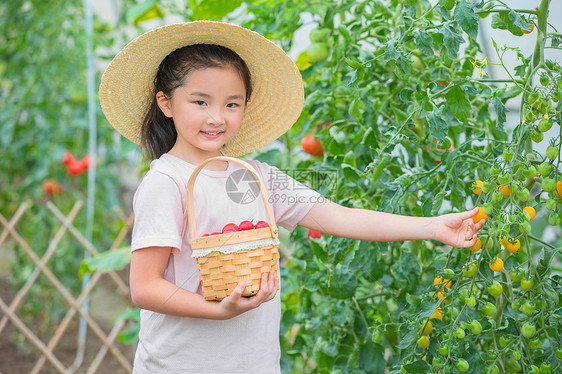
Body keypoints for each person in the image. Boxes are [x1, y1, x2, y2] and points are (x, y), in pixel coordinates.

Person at [99, 21, 484, 374]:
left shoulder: (258, 178)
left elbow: (342, 217)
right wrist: (217, 311)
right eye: (200, 102)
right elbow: (145, 288)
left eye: (232, 103)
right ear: (166, 103)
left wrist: (433, 226)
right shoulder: (166, 182)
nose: (217, 117)